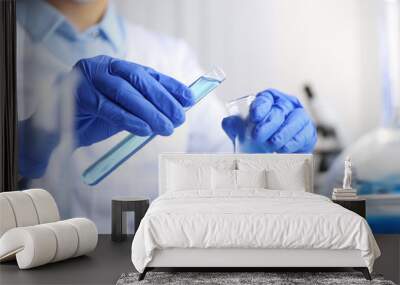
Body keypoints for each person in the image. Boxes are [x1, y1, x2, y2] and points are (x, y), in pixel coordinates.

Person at [17, 0, 317, 233]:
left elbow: (231, 168)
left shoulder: (171, 56)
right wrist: (24, 144)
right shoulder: (12, 45)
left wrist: (271, 149)